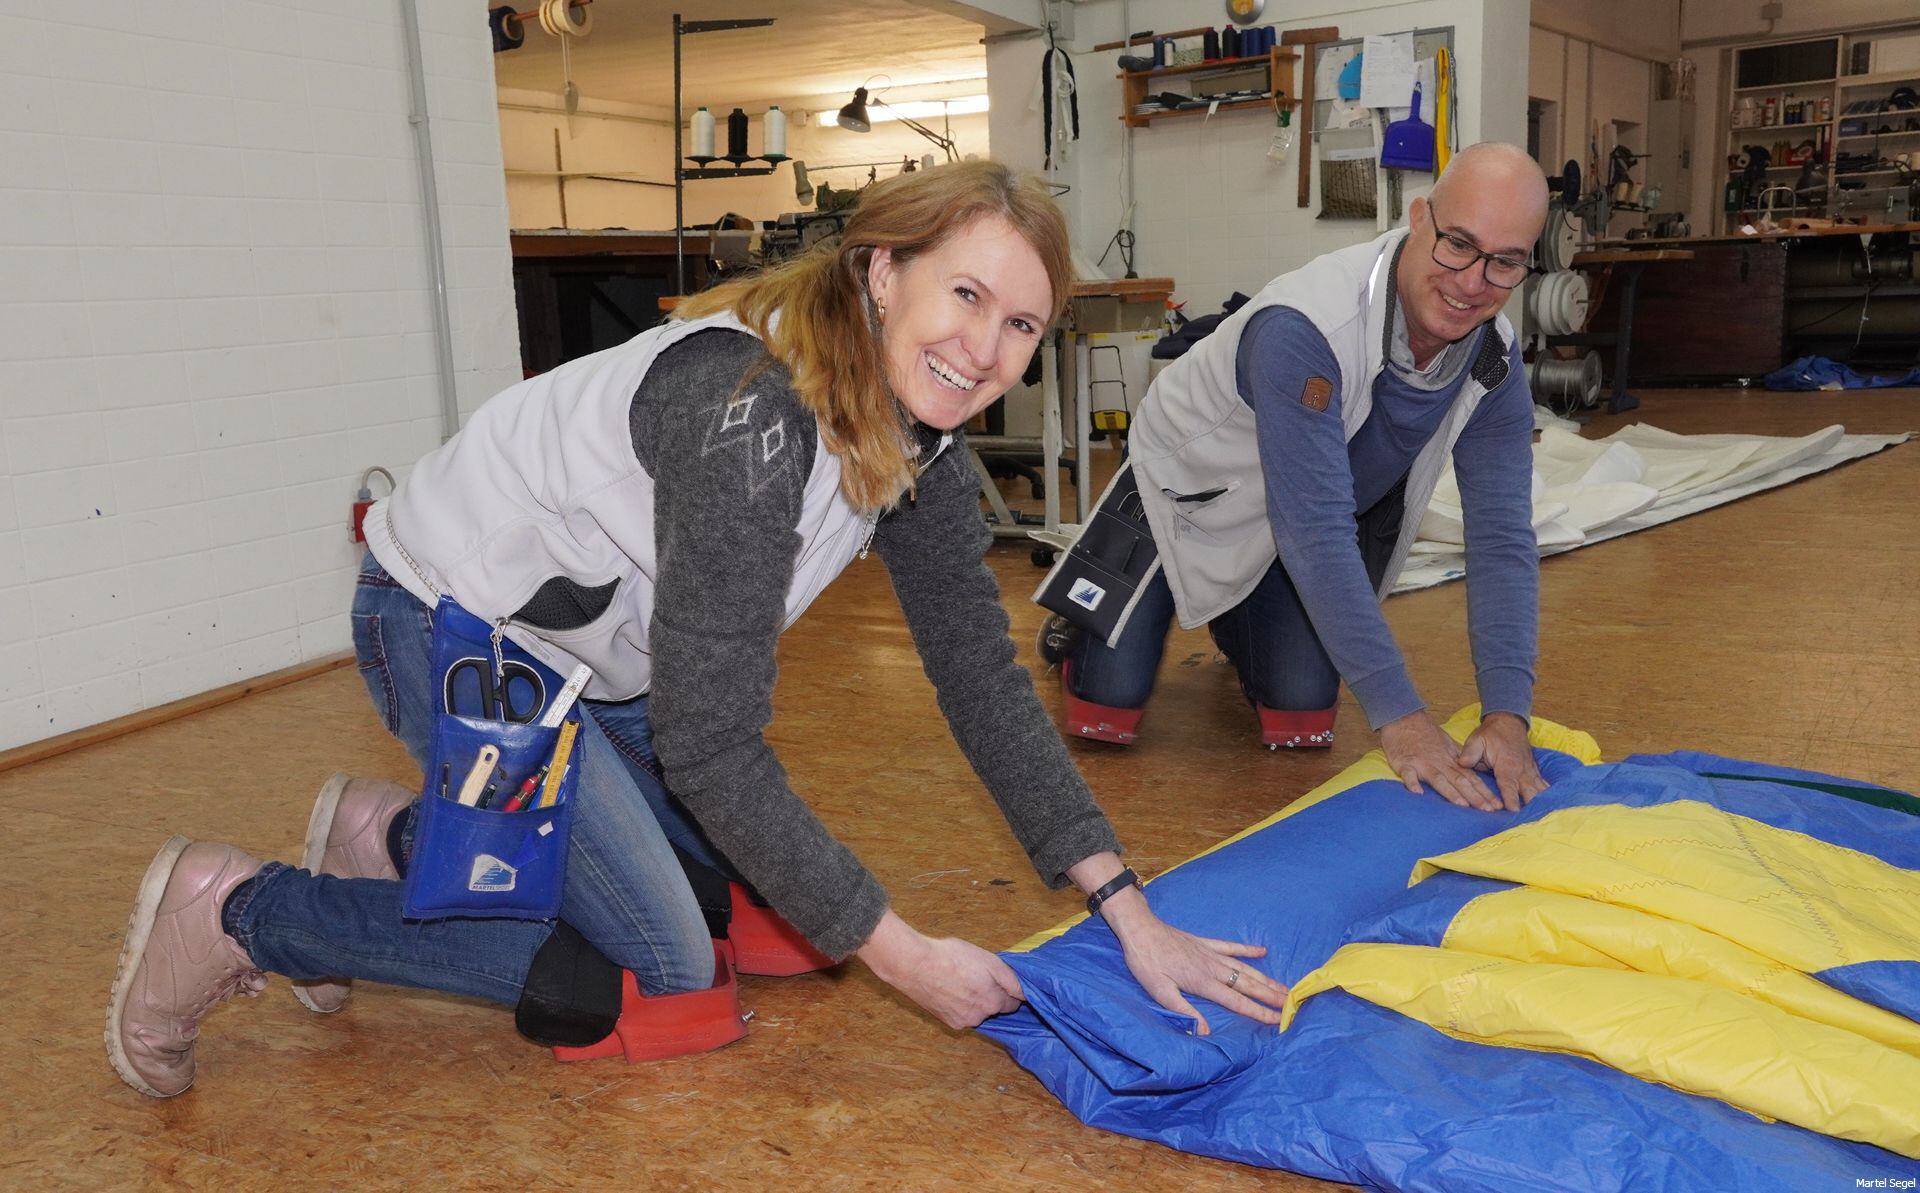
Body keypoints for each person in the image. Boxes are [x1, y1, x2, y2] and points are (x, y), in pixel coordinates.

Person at [106, 162, 1290, 1099]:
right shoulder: (751, 417)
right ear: (882, 271)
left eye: (1022, 326)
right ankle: (238, 909)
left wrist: (1129, 911)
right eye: (966, 295)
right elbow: (713, 744)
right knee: (655, 969)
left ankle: (405, 832)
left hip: (602, 669)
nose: (984, 351)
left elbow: (981, 679)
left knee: (751, 921)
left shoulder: (917, 434)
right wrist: (903, 952)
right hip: (454, 627)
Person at [1051, 143, 1551, 813]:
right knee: (1104, 708)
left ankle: (1237, 613)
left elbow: (1502, 539)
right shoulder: (1308, 328)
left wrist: (1508, 714)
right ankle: (1078, 624)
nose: (1472, 280)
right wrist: (1401, 718)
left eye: (1505, 261)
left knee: (1302, 714)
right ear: (1419, 218)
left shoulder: (1493, 359)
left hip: (1300, 516)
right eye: (1458, 243)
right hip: (1189, 490)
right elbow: (1312, 530)